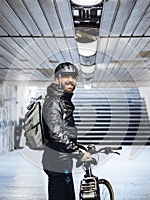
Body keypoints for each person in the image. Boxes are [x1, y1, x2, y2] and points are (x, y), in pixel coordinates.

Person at [42, 62, 90, 200]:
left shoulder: (63, 101)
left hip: (63, 161)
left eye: (73, 77)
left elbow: (65, 131)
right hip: (56, 163)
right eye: (66, 76)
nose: (71, 80)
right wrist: (76, 151)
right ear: (57, 79)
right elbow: (56, 133)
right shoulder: (54, 102)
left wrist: (76, 148)